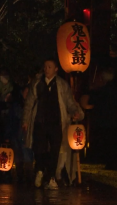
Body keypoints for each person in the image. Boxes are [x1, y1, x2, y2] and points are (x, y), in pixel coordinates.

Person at [22, 59, 83, 189]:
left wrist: (74, 112)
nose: (46, 69)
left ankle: (50, 177)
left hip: (56, 122)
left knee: (55, 150)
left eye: (49, 67)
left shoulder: (62, 84)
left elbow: (69, 102)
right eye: (45, 67)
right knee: (39, 148)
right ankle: (39, 170)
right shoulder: (37, 83)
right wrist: (26, 120)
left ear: (56, 69)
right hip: (40, 121)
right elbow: (29, 103)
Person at [87, 68, 117, 170]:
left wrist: (92, 90)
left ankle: (110, 163)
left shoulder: (101, 91)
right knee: (113, 143)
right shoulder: (116, 90)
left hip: (104, 120)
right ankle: (115, 163)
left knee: (107, 142)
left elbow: (92, 101)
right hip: (114, 120)